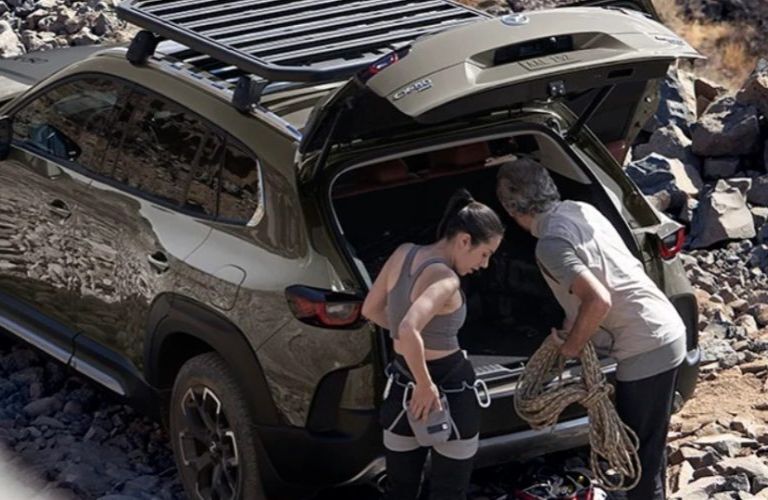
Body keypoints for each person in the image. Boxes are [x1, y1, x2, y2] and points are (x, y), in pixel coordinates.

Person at [495, 158, 687, 500]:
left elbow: (598, 301)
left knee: (636, 462)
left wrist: (569, 350)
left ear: (511, 210)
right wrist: (571, 330)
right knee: (648, 452)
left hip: (644, 347)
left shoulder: (550, 243)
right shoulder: (580, 210)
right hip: (664, 330)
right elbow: (599, 281)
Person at [362, 189, 504, 500]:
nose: (485, 264)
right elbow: (410, 327)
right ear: (464, 240)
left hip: (401, 385)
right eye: (485, 253)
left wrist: (408, 342)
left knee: (400, 490)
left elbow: (371, 310)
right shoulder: (446, 279)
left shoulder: (404, 253)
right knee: (449, 493)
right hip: (448, 389)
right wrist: (425, 385)